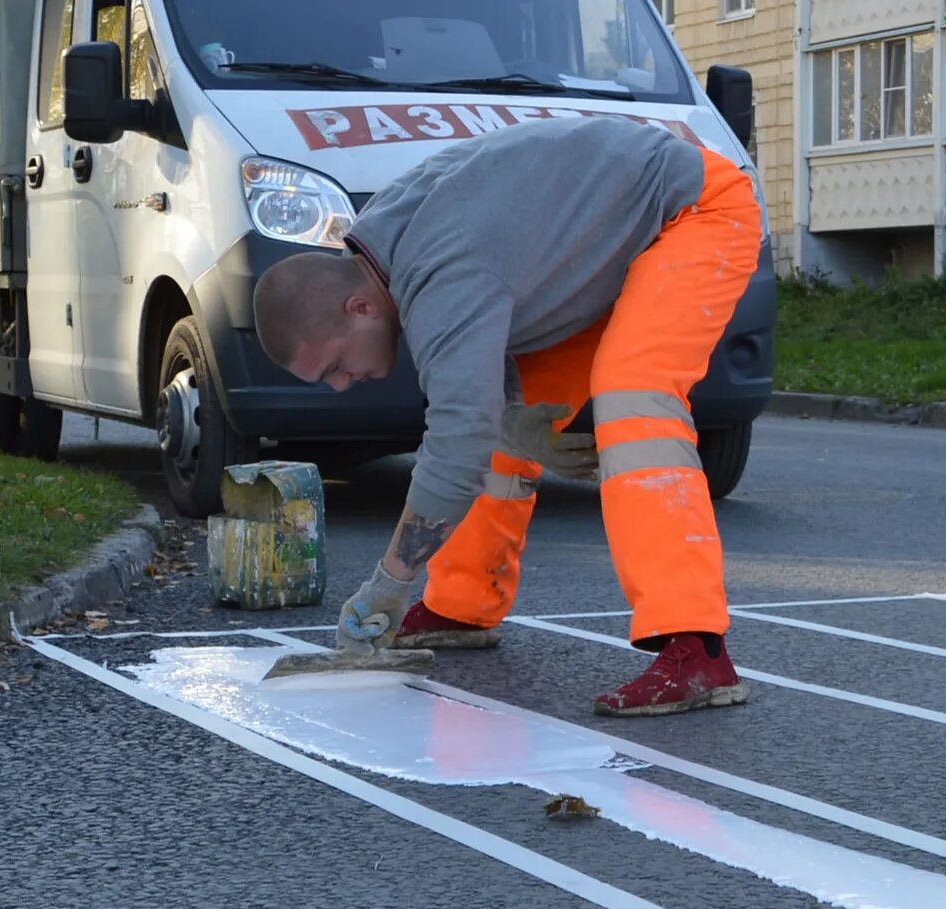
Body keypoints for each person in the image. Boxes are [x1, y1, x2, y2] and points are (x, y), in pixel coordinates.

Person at [250, 114, 760, 717]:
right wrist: (512, 417)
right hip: (614, 240)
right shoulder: (386, 246)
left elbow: (457, 439)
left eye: (332, 365)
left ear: (360, 307)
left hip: (693, 210)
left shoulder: (439, 271)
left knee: (633, 397)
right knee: (492, 423)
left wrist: (389, 582)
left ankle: (696, 648)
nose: (339, 386)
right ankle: (460, 606)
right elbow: (494, 309)